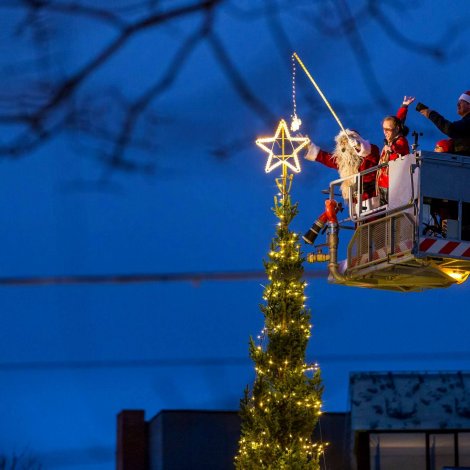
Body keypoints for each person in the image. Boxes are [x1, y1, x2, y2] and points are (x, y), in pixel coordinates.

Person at [304, 129, 380, 203]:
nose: (344, 145)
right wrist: (310, 147)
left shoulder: (369, 154)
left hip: (372, 195)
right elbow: (326, 158)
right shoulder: (343, 162)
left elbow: (370, 151)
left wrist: (358, 145)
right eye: (342, 143)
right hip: (355, 200)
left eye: (346, 142)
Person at [376, 97, 414, 206]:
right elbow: (398, 119)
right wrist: (404, 106)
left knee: (391, 210)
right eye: (383, 129)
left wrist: (391, 149)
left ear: (396, 129)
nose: (385, 132)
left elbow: (398, 148)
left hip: (393, 184)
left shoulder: (401, 141)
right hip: (383, 183)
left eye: (387, 130)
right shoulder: (392, 136)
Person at [417, 90, 470, 156]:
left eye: (461, 102)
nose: (457, 104)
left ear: (469, 105)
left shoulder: (467, 122)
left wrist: (429, 113)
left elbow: (450, 129)